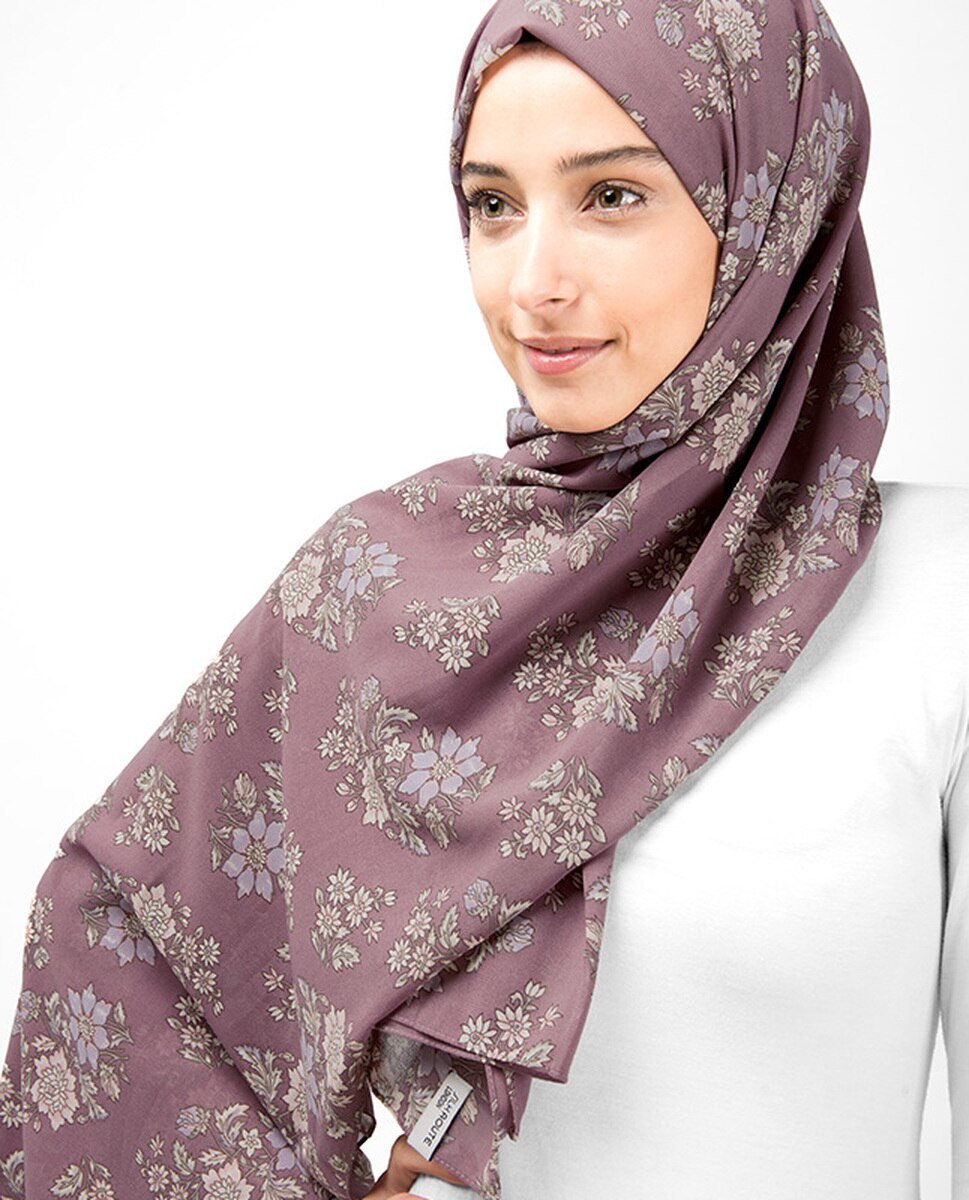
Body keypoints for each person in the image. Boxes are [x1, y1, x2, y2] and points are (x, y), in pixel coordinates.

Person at [2, 6, 967, 1200]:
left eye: (612, 196)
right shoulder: (382, 585)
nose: (533, 283)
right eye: (494, 204)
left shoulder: (942, 597)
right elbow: (130, 947)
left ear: (777, 204)